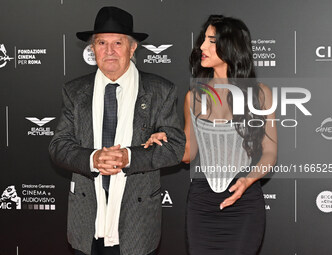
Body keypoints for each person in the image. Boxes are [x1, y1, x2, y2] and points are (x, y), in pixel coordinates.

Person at [48, 6, 185, 255]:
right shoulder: (75, 92)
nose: (109, 51)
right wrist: (93, 158)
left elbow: (175, 147)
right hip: (86, 220)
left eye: (117, 43)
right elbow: (58, 146)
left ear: (132, 48)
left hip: (137, 221)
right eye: (101, 42)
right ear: (92, 48)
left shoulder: (160, 91)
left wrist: (129, 157)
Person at [144, 15, 277, 255]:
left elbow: (270, 153)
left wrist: (248, 180)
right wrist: (164, 141)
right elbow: (188, 154)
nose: (202, 47)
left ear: (231, 46)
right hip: (202, 202)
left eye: (211, 41)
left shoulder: (260, 95)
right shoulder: (193, 97)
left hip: (244, 200)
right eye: (203, 40)